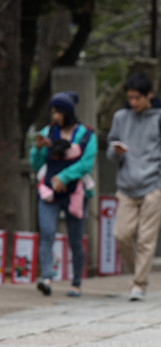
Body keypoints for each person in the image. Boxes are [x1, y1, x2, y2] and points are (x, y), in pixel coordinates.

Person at [107, 72, 161, 301]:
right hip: (127, 187)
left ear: (149, 95)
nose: (133, 102)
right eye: (130, 98)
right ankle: (138, 275)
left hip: (152, 187)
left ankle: (138, 284)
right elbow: (110, 150)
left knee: (146, 240)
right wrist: (115, 151)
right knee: (121, 235)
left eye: (138, 98)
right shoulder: (120, 117)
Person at [30, 91, 96, 298]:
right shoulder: (47, 132)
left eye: (57, 111)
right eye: (52, 111)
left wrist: (64, 178)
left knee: (75, 239)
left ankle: (76, 283)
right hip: (49, 191)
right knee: (47, 233)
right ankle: (46, 278)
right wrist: (38, 150)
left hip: (75, 192)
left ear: (67, 112)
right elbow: (37, 164)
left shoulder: (86, 134)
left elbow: (86, 163)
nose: (54, 116)